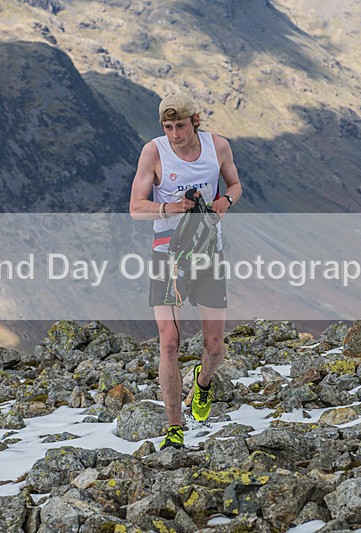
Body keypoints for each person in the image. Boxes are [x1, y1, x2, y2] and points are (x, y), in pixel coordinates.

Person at [129, 91, 242, 450]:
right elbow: (135, 208)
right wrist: (173, 207)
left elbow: (236, 185)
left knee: (214, 346)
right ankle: (174, 427)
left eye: (180, 125)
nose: (174, 133)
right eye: (168, 126)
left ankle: (203, 383)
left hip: (208, 250)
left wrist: (225, 201)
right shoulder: (154, 152)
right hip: (167, 252)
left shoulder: (217, 147)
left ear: (195, 121)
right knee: (169, 340)